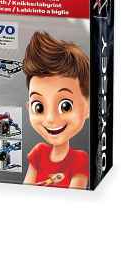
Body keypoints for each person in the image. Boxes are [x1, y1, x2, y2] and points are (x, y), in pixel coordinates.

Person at [23, 32, 90, 189]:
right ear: (28, 107)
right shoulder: (38, 153)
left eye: (65, 106)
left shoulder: (80, 160)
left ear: (87, 107)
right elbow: (26, 187)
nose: (51, 118)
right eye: (39, 107)